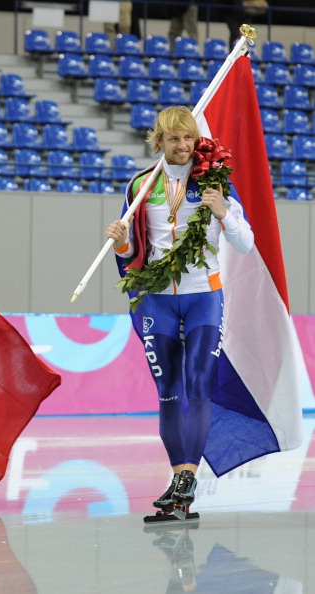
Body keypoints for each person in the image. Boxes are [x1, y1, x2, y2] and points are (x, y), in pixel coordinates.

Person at [105, 106, 254, 514]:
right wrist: (120, 242)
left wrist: (224, 214)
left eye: (189, 138)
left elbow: (245, 244)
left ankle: (188, 478)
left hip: (204, 294)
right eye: (174, 139)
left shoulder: (214, 180)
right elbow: (133, 251)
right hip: (157, 299)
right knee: (169, 392)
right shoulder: (141, 184)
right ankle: (179, 479)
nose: (183, 146)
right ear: (160, 142)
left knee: (198, 382)